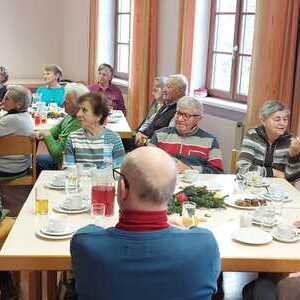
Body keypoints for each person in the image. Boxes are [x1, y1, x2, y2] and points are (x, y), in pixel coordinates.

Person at [71, 146, 220, 300]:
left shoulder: (86, 243)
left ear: (122, 188)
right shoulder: (204, 244)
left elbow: (93, 232)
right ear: (173, 190)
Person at [150, 96, 224, 173]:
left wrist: (190, 170)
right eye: (178, 113)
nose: (180, 119)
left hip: (195, 183)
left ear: (198, 119)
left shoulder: (210, 141)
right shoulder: (159, 135)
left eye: (186, 116)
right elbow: (146, 163)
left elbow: (217, 171)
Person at [237, 100, 300, 182]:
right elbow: (242, 168)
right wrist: (273, 172)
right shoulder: (253, 135)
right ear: (263, 120)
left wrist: (294, 156)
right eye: (277, 119)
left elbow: (291, 178)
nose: (282, 123)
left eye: (285, 119)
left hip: (278, 191)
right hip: (251, 186)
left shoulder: (290, 141)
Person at [36, 83, 89, 173]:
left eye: (67, 101)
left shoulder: (78, 123)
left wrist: (46, 134)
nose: (63, 103)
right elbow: (56, 129)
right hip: (65, 161)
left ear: (79, 104)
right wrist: (43, 134)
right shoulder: (70, 116)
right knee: (39, 159)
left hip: (74, 167)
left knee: (39, 161)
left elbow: (58, 155)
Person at [64, 93, 125, 169]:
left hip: (105, 180)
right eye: (79, 109)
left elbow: (119, 171)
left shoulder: (114, 139)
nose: (78, 114)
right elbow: (68, 169)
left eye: (84, 110)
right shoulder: (73, 138)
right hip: (81, 180)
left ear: (99, 116)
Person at [135, 74, 188, 146]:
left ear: (179, 91)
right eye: (165, 86)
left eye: (168, 87)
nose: (164, 90)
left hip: (154, 148)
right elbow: (149, 121)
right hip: (145, 140)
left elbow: (168, 138)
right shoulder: (167, 104)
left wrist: (144, 141)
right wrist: (140, 132)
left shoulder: (180, 111)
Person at [0, 85, 33, 177]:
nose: (2, 101)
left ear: (18, 104)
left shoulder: (11, 120)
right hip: (21, 165)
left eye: (6, 99)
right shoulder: (25, 115)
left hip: (8, 168)